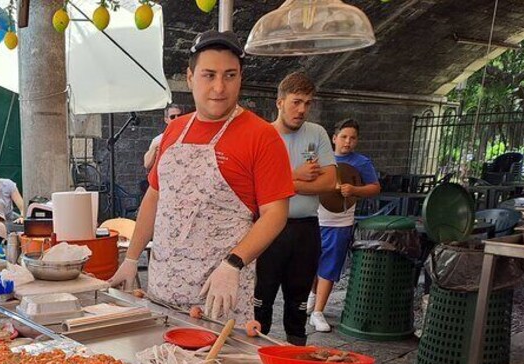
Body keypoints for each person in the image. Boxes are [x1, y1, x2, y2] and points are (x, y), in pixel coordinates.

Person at [108, 30, 294, 323]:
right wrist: (131, 258)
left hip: (217, 296)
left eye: (230, 76)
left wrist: (233, 263)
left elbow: (275, 214)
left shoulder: (262, 136)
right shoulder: (174, 130)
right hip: (161, 289)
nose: (219, 87)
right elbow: (155, 197)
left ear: (240, 78)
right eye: (209, 75)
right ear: (191, 76)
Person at [254, 72, 337, 345]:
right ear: (279, 102)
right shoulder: (261, 135)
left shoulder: (317, 133)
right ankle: (254, 360)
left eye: (308, 103)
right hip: (267, 228)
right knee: (260, 301)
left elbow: (330, 182)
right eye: (296, 102)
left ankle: (295, 361)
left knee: (298, 304)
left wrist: (284, 182)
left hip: (305, 228)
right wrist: (299, 175)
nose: (302, 109)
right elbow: (255, 188)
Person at [308, 118, 381, 332]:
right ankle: (312, 297)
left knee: (329, 266)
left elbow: (375, 187)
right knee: (310, 263)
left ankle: (318, 311)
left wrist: (355, 190)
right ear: (334, 138)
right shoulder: (318, 156)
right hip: (314, 217)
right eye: (344, 137)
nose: (348, 142)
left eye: (353, 138)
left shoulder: (361, 162)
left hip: (340, 222)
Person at [143, 104, 184, 170]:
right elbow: (147, 165)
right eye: (173, 117)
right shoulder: (158, 139)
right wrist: (154, 148)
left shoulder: (189, 135)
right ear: (166, 120)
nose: (177, 119)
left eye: (179, 116)